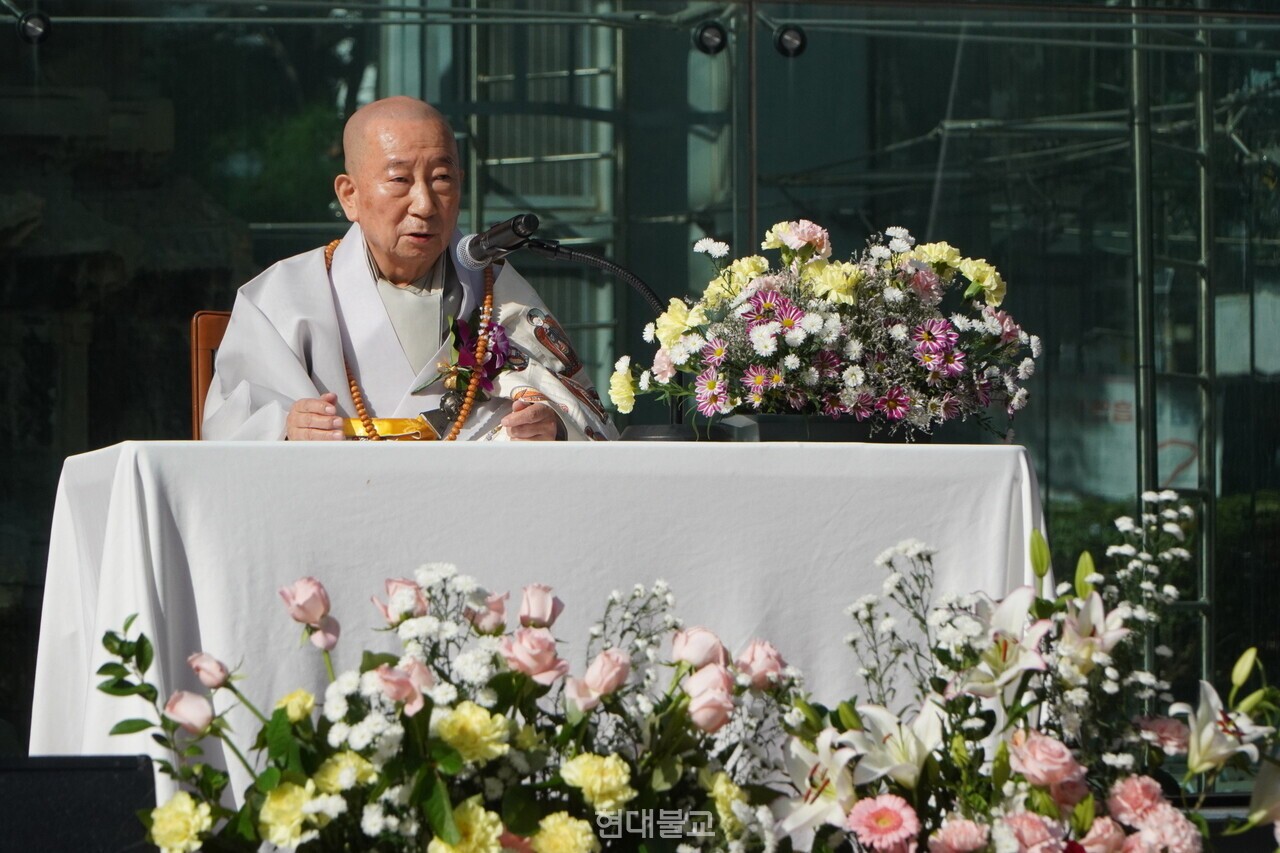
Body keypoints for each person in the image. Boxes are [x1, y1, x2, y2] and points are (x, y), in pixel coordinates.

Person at [202, 96, 617, 442]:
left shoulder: (495, 287)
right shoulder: (282, 297)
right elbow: (226, 433)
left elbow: (586, 416)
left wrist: (552, 428)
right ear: (350, 195)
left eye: (441, 178)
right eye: (399, 180)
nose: (424, 204)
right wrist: (288, 430)